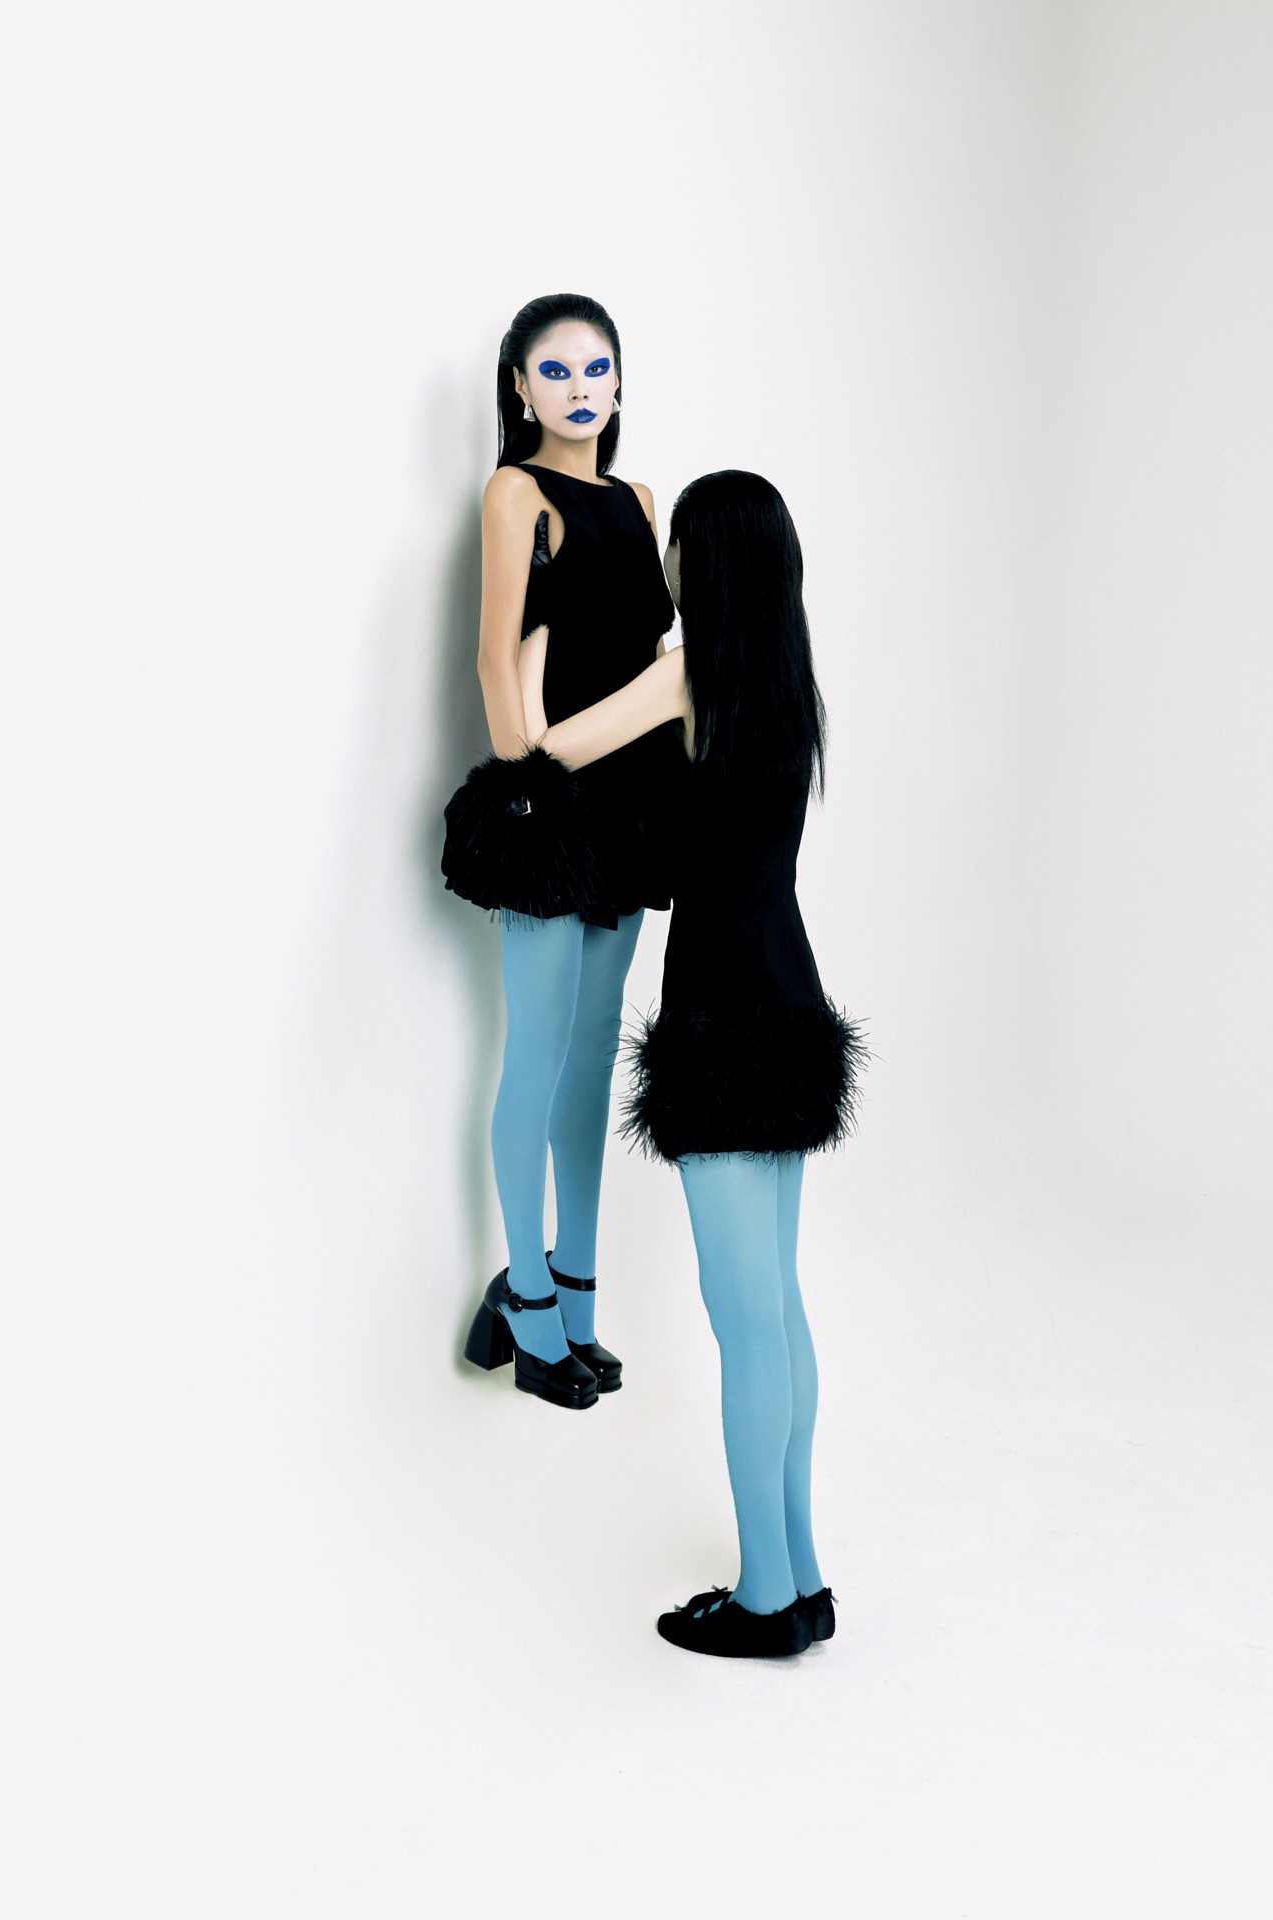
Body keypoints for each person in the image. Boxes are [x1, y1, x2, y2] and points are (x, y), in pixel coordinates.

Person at [514, 470, 863, 1658]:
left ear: (699, 561)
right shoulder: (786, 682)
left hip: (721, 1010)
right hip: (791, 993)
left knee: (743, 1317)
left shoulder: (687, 674)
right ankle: (800, 1574)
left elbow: (549, 748)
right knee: (778, 1306)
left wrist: (538, 638)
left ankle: (766, 1597)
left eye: (675, 544)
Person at [442, 294, 682, 1412]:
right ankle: (527, 1298)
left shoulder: (640, 500)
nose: (580, 388)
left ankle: (576, 1294)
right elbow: (496, 658)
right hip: (551, 801)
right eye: (556, 369)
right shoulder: (515, 492)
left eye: (597, 369)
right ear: (519, 387)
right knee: (534, 1051)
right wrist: (526, 799)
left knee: (591, 1055)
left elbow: (651, 657)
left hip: (634, 802)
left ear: (621, 383)